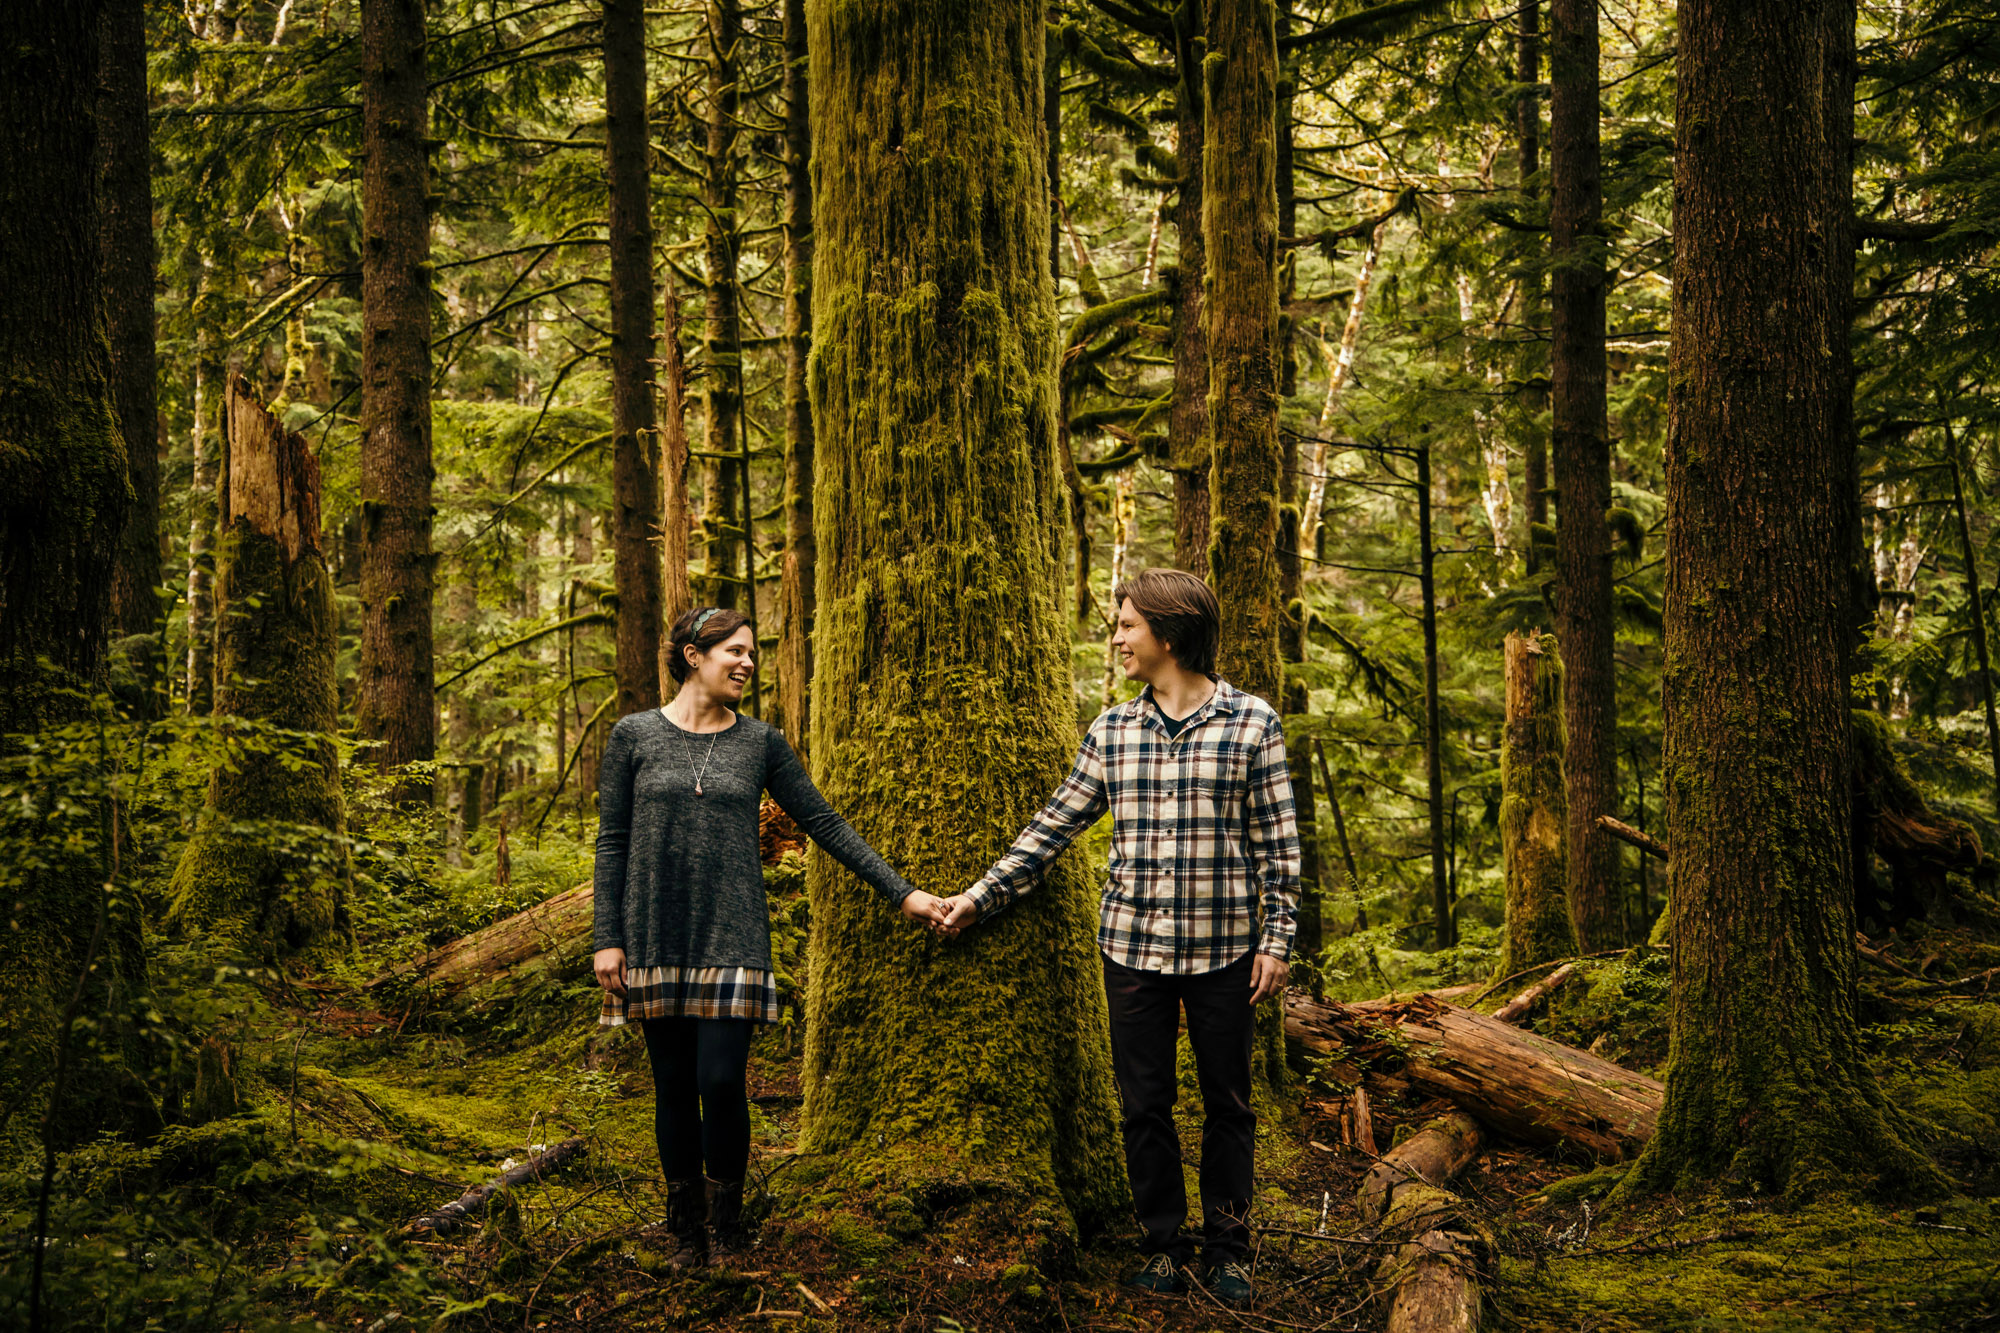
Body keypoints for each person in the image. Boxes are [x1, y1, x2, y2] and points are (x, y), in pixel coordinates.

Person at [938, 569, 1300, 1309]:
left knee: (1229, 1104)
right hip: (1131, 948)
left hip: (1226, 949)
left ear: (1168, 634)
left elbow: (1278, 846)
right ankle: (1162, 1245)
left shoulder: (1252, 723)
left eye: (1127, 624)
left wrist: (1277, 939)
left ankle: (1230, 1248)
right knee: (1143, 1105)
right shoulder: (1113, 729)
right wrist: (981, 896)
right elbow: (1053, 827)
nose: (1117, 637)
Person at [592, 606, 948, 1268]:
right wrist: (606, 935)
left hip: (733, 933)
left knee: (722, 1080)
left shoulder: (762, 742)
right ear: (695, 656)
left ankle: (728, 1226)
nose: (749, 662)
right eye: (735, 650)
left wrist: (903, 892)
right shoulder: (632, 736)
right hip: (652, 932)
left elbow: (823, 821)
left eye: (752, 651)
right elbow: (612, 839)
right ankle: (686, 1232)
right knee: (672, 1086)